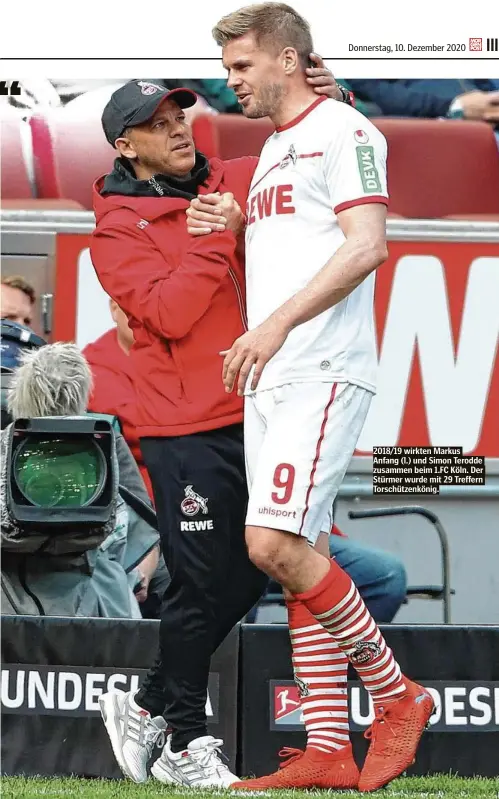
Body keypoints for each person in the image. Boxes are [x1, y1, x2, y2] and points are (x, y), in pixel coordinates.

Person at [186, 3, 434, 792]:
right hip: (275, 373)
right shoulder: (272, 151)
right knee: (304, 557)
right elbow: (298, 244)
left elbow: (368, 246)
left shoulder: (347, 132)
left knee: (271, 545)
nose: (231, 85)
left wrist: (274, 327)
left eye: (242, 68)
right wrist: (235, 223)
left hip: (319, 367)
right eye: (227, 70)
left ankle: (398, 696)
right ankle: (327, 747)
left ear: (290, 60)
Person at [90, 67, 343, 788]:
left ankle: (145, 703)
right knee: (198, 584)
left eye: (181, 115)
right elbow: (167, 314)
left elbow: (312, 151)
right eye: (159, 121)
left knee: (252, 569)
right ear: (125, 145)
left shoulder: (230, 174)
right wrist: (218, 239)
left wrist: (328, 100)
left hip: (255, 410)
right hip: (180, 428)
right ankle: (183, 741)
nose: (178, 127)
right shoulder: (114, 230)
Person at [1, 342, 162, 619]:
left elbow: (143, 543)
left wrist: (134, 578)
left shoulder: (103, 440)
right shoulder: (98, 444)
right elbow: (137, 541)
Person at [83, 298, 154, 499]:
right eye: (136, 308)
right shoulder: (92, 369)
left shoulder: (180, 357)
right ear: (115, 309)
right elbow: (140, 432)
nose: (146, 317)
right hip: (125, 503)